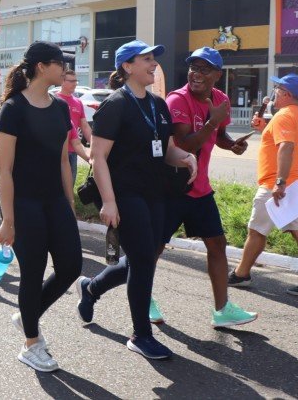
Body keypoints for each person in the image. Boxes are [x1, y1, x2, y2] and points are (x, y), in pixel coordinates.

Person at [75, 47, 256, 331]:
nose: (196, 73)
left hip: (199, 188)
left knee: (216, 244)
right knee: (147, 255)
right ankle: (112, 293)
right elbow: (184, 144)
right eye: (193, 67)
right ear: (127, 66)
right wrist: (212, 122)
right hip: (170, 189)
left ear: (217, 75)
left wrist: (231, 143)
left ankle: (222, 309)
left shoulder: (219, 100)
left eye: (204, 68)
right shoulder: (175, 100)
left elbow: (216, 137)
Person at [86, 40, 196, 360]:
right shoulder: (115, 105)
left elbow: (165, 149)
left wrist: (186, 157)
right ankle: (140, 335)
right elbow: (98, 158)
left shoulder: (157, 105)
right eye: (146, 59)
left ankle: (90, 288)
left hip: (155, 193)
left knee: (140, 258)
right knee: (144, 261)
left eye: (153, 59)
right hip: (125, 194)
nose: (153, 64)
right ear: (127, 67)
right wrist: (108, 201)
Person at [0, 41, 82, 373]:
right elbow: (4, 170)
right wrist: (8, 219)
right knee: (32, 273)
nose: (66, 70)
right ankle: (31, 344)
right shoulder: (13, 109)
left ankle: (26, 315)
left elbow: (62, 159)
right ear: (42, 67)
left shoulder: (60, 108)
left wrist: (69, 203)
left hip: (55, 201)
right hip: (24, 203)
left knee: (72, 266)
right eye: (61, 64)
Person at [229, 73, 298, 296]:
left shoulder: (283, 116)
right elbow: (281, 141)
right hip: (297, 184)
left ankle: (241, 274)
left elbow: (285, 148)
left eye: (277, 90)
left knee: (256, 231)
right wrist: (265, 126)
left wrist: (280, 183)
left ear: (286, 94)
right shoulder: (296, 115)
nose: (273, 94)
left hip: (278, 186)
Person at [53, 69, 92, 179]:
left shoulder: (78, 102)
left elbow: (84, 126)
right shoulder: (54, 100)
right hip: (58, 151)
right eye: (71, 81)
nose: (75, 84)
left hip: (74, 151)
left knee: (70, 182)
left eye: (76, 81)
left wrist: (94, 146)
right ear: (62, 81)